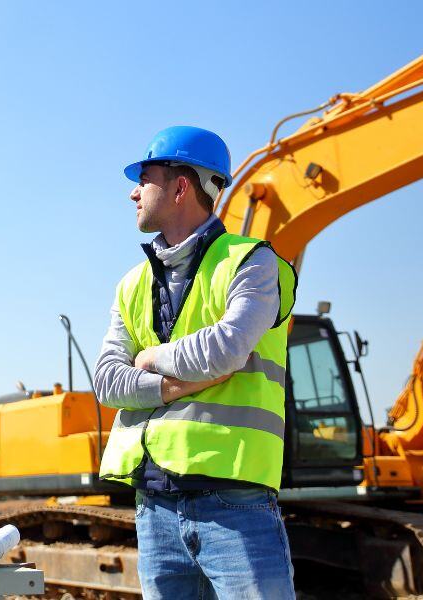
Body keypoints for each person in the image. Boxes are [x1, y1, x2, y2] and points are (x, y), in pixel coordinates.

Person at [94, 126, 298, 599]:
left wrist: (148, 359)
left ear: (180, 186)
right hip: (155, 507)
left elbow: (227, 347)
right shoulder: (131, 284)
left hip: (235, 504)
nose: (133, 192)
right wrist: (169, 387)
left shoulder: (252, 263)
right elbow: (106, 381)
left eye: (143, 178)